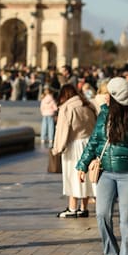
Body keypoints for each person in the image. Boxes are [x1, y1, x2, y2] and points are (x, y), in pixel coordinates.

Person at [76, 77, 128, 255]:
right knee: (101, 214)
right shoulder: (104, 114)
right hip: (106, 172)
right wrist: (82, 165)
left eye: (109, 94)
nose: (105, 97)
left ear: (118, 97)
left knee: (126, 219)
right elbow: (94, 141)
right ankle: (110, 252)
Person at [52, 84, 97, 218]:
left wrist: (57, 148)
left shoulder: (67, 108)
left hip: (73, 145)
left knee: (73, 177)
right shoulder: (88, 105)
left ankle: (72, 208)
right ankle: (84, 208)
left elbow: (62, 130)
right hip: (88, 144)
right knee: (85, 178)